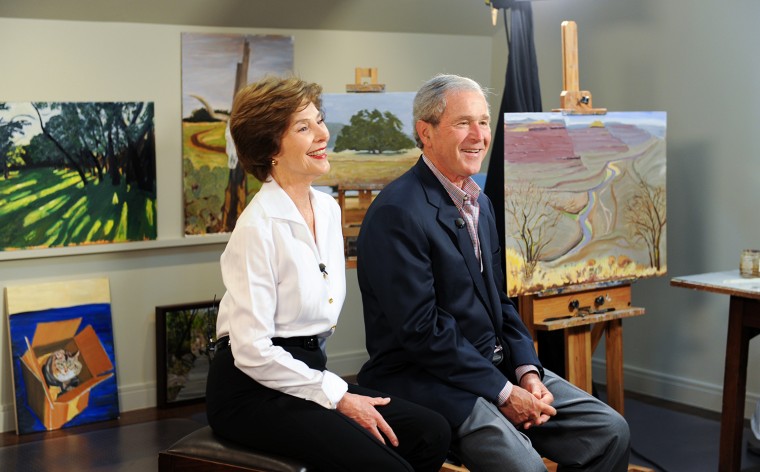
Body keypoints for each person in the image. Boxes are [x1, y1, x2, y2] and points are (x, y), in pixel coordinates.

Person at [356, 73, 631, 472]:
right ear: (425, 132)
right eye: (463, 122)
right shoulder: (397, 212)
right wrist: (504, 392)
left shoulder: (478, 201)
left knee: (610, 431)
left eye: (483, 122)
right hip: (429, 379)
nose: (479, 135)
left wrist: (528, 372)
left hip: (497, 369)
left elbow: (499, 302)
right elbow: (422, 331)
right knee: (526, 468)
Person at [205, 76, 451, 472]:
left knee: (431, 431)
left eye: (319, 120)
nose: (323, 133)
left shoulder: (327, 208)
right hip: (250, 391)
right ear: (270, 148)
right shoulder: (257, 227)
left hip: (305, 375)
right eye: (304, 127)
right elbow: (252, 351)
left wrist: (329, 389)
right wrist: (338, 396)